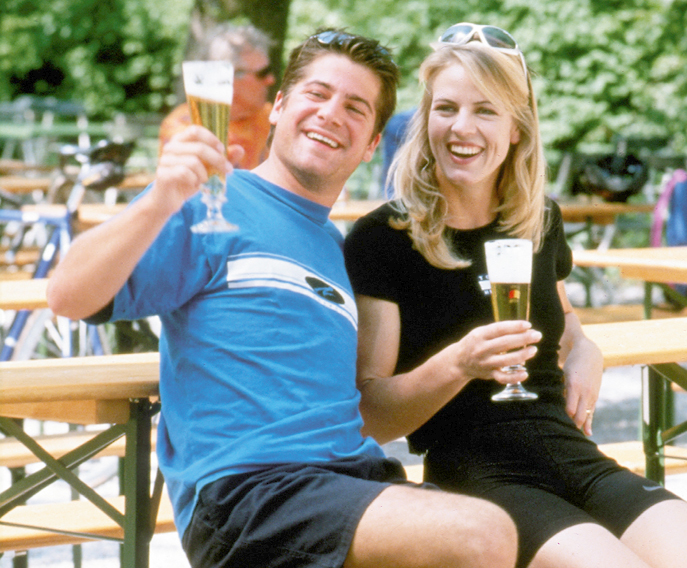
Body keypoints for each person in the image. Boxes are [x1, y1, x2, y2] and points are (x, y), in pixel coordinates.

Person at [47, 28, 517, 568]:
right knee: (481, 536)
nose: (330, 113)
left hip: (351, 481)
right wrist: (161, 197)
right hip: (252, 492)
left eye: (355, 107)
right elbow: (66, 296)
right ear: (278, 107)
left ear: (369, 147)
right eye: (317, 95)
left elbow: (367, 410)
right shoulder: (212, 202)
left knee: (513, 532)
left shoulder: (340, 252)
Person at [344, 23, 687, 568]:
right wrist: (460, 363)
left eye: (486, 110)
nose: (462, 127)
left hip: (570, 454)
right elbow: (371, 413)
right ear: (425, 117)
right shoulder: (383, 238)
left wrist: (586, 350)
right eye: (446, 108)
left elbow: (566, 323)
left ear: (516, 130)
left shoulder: (537, 221)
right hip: (478, 474)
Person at [158, 23, 276, 170]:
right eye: (263, 73)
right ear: (229, 77)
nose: (271, 79)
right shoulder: (185, 127)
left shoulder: (270, 117)